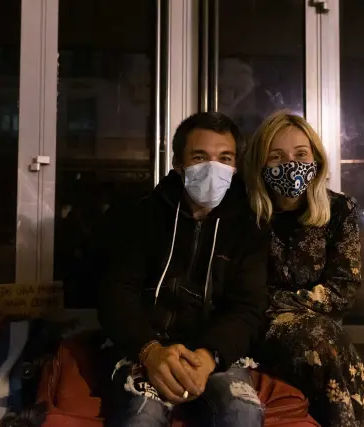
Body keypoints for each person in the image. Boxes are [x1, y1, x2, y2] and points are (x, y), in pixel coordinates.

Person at [98, 112, 270, 427]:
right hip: (146, 346)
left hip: (215, 353)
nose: (213, 168)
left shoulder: (249, 226)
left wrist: (208, 356)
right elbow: (116, 294)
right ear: (179, 164)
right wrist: (149, 351)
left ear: (236, 166)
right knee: (142, 416)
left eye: (225, 158)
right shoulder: (141, 215)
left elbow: (248, 309)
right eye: (200, 157)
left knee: (243, 413)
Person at [242, 110, 364, 427]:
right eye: (276, 157)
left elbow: (343, 289)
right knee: (320, 338)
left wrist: (285, 303)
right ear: (260, 163)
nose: (291, 165)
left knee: (321, 336)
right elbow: (244, 292)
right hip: (257, 327)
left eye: (301, 154)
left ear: (316, 158)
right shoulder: (244, 213)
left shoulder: (340, 209)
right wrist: (294, 306)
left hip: (319, 327)